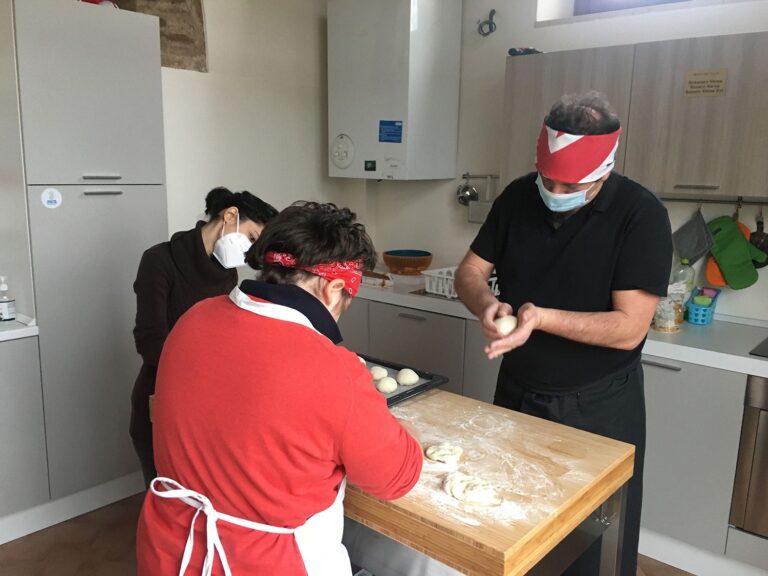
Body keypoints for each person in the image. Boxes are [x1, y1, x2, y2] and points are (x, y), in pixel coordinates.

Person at [136, 201, 423, 575]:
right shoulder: (332, 369)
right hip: (264, 563)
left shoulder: (193, 319)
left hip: (171, 553)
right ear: (334, 288)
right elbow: (396, 478)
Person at [455, 91, 673, 576]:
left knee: (592, 546)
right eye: (547, 177)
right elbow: (469, 271)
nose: (554, 189)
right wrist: (486, 303)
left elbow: (629, 329)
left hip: (596, 404)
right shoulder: (517, 196)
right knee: (513, 526)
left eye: (570, 182)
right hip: (517, 392)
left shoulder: (641, 215)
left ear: (604, 170)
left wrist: (539, 317)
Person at [130, 187, 278, 487]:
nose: (248, 252)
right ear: (230, 215)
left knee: (207, 496)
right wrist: (206, 375)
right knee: (168, 496)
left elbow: (225, 338)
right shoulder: (159, 260)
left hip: (210, 401)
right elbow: (150, 341)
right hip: (163, 395)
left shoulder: (226, 274)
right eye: (251, 238)